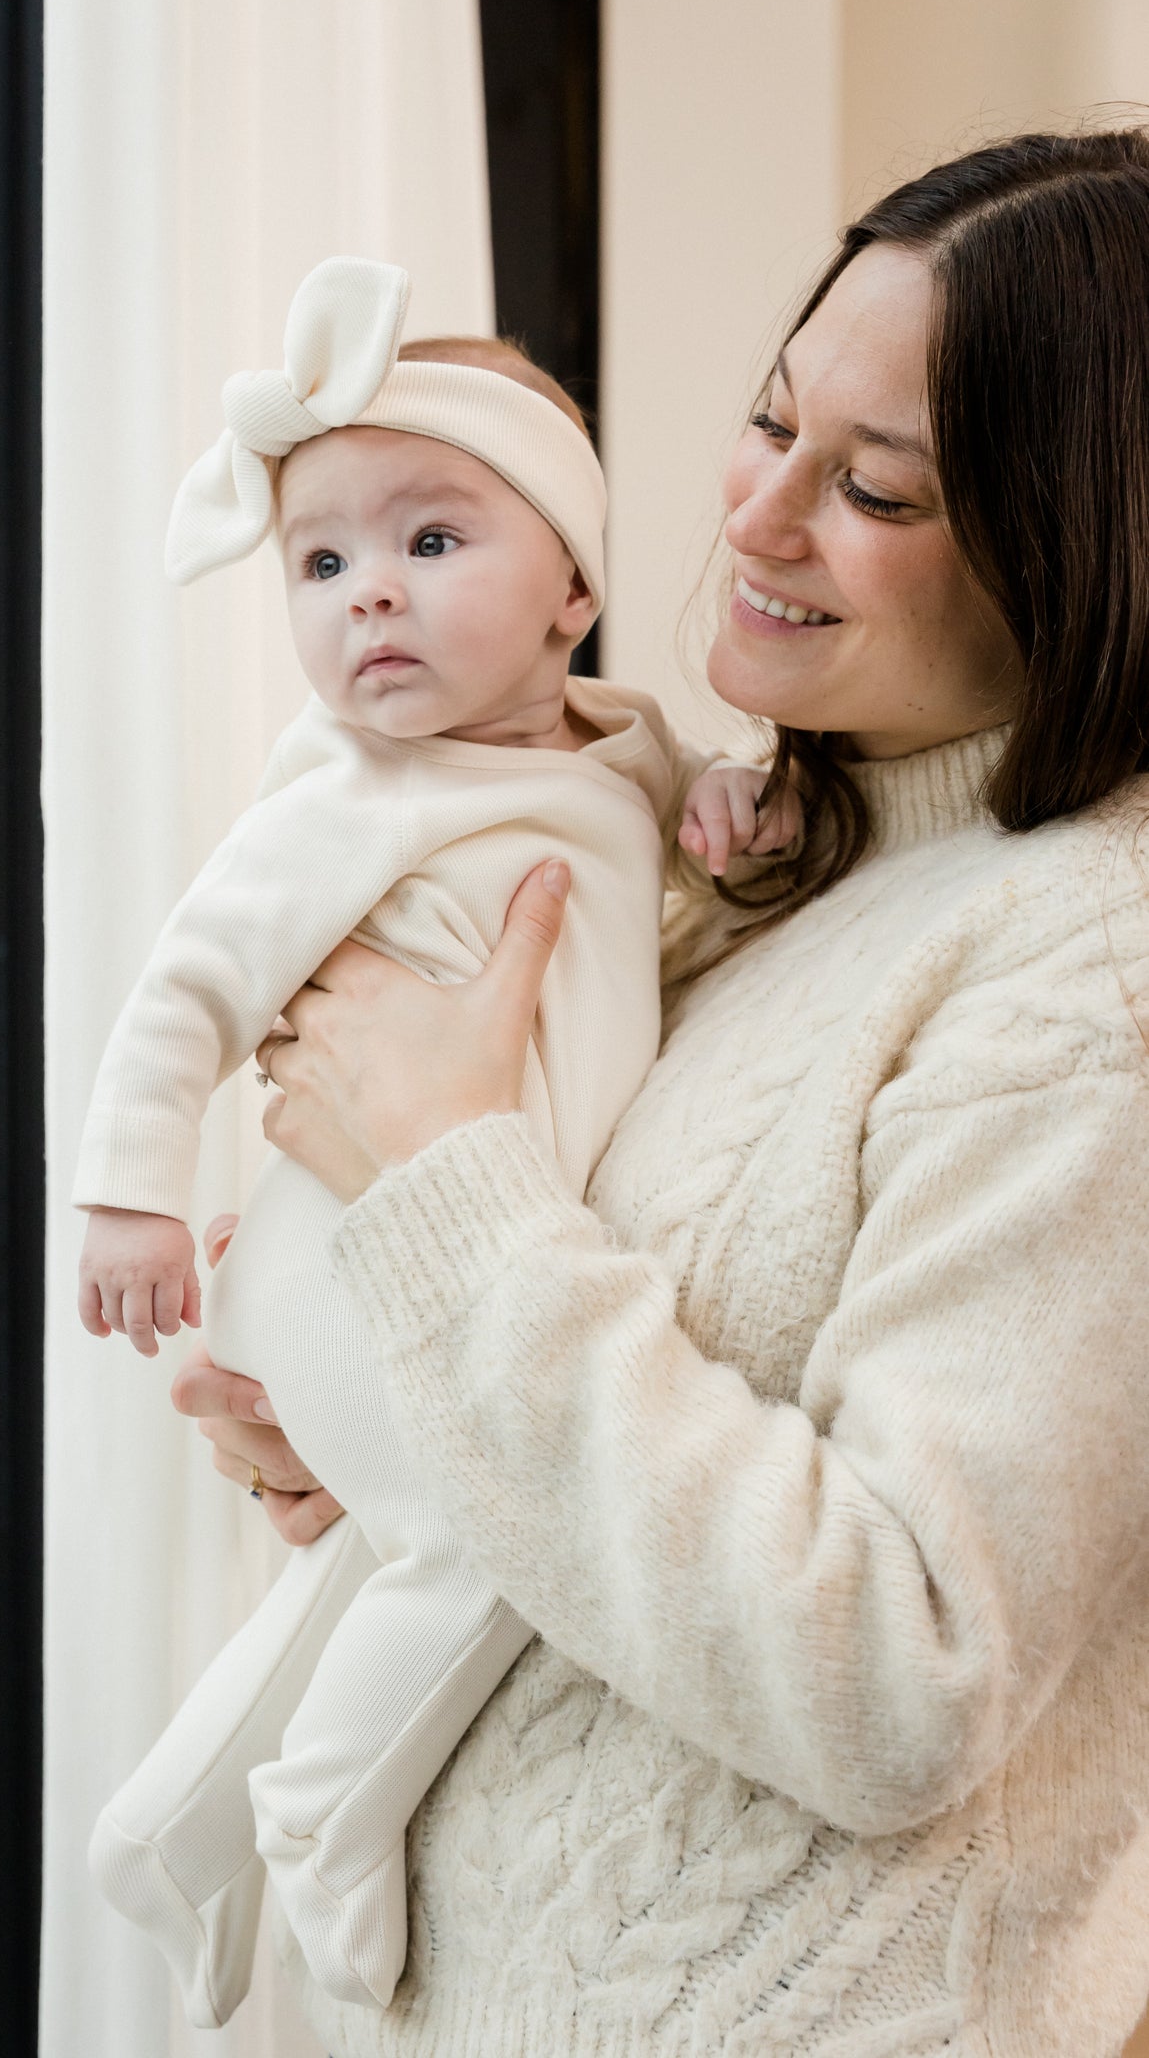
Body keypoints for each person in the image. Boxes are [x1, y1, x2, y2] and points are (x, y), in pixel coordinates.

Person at [180, 131, 1149, 2057]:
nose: (761, 517)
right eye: (770, 422)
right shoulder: (753, 859)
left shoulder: (1088, 978)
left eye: (872, 487)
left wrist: (450, 1203)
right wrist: (356, 1404)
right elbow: (603, 1427)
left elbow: (903, 1677)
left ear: (1088, 536)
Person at [74, 256, 797, 2027]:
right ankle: (322, 1815)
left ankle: (167, 1823)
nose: (365, 603)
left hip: (460, 1242)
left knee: (410, 1548)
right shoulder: (344, 795)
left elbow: (665, 895)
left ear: (572, 597)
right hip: (346, 1250)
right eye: (318, 564)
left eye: (427, 544)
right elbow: (185, 989)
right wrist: (126, 1195)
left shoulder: (610, 754)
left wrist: (712, 807)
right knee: (492, 1522)